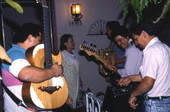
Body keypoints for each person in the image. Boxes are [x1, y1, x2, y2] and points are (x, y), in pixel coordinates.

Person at [1, 23, 63, 112]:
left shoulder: (32, 56)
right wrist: (53, 72)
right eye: (39, 40)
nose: (42, 44)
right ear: (30, 38)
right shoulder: (14, 53)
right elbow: (26, 74)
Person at [118, 21, 170, 112]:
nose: (136, 43)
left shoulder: (151, 50)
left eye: (136, 39)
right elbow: (153, 76)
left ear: (144, 34)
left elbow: (148, 83)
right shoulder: (164, 47)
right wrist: (130, 78)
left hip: (156, 104)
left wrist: (133, 94)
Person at [103, 25, 143, 112]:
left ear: (127, 37)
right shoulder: (131, 47)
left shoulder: (131, 49)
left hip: (136, 85)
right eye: (117, 42)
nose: (119, 44)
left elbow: (128, 73)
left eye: (120, 40)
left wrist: (113, 69)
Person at [59, 34, 83, 111]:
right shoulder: (62, 54)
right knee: (68, 103)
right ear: (65, 43)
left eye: (73, 41)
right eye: (71, 41)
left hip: (75, 82)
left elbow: (77, 68)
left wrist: (79, 79)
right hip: (67, 82)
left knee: (75, 101)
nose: (73, 42)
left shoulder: (74, 53)